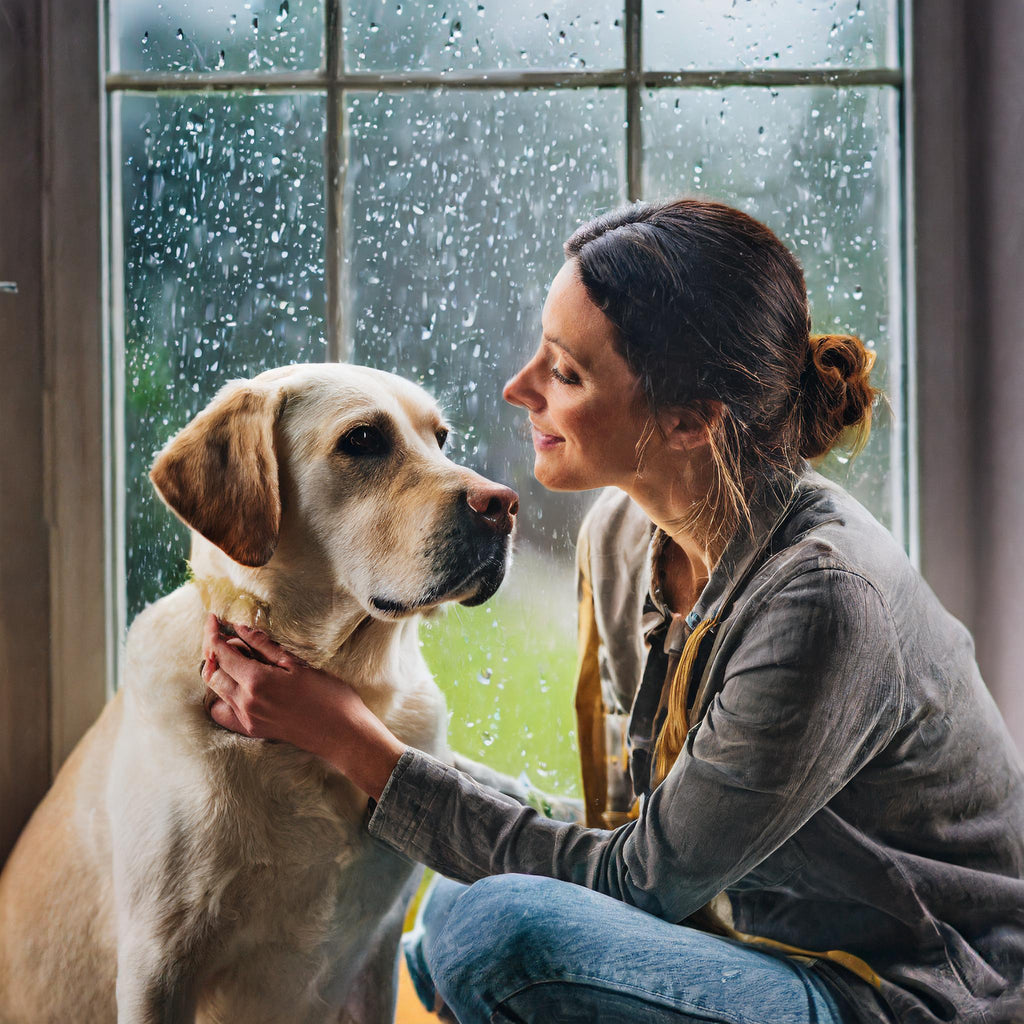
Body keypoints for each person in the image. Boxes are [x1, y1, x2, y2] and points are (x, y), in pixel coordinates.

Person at [202, 199, 1024, 1024]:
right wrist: (371, 748)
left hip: (902, 992)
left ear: (689, 421)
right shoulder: (625, 539)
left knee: (497, 932)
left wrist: (351, 741)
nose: (518, 388)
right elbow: (628, 830)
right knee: (456, 903)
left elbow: (636, 882)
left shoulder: (825, 601)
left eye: (565, 373)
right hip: (736, 936)